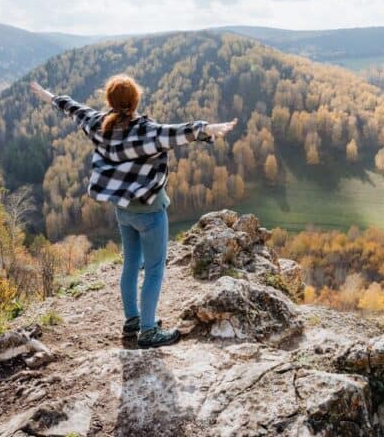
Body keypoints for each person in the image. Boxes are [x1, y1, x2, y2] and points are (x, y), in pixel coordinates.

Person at [30, 75, 237, 348]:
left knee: (130, 264)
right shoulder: (146, 132)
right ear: (136, 100)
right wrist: (211, 128)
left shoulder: (99, 125)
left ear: (110, 102)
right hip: (149, 211)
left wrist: (47, 95)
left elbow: (74, 108)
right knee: (153, 271)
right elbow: (179, 132)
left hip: (123, 210)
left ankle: (133, 321)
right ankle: (148, 331)